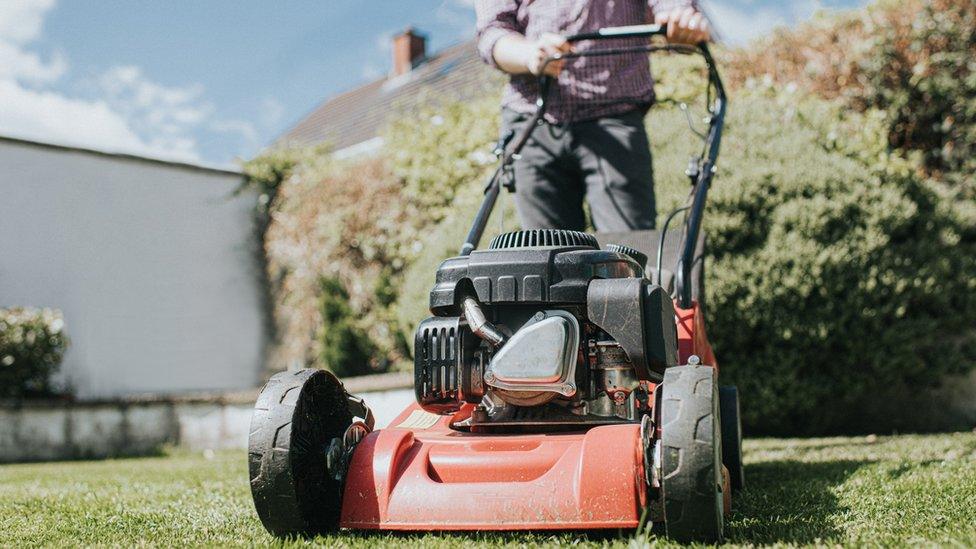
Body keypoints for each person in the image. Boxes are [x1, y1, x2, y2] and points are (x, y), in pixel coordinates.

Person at [475, 1, 710, 232]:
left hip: (615, 115)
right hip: (531, 120)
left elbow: (672, 7)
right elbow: (493, 32)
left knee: (627, 253)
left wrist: (680, 18)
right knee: (545, 256)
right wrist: (530, 53)